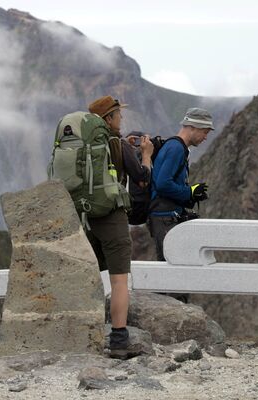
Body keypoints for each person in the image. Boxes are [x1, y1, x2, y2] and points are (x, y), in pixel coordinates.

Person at [86, 95, 153, 358]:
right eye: (118, 115)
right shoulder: (117, 144)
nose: (121, 120)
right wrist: (145, 155)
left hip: (82, 216)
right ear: (109, 118)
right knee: (119, 280)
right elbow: (142, 179)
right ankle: (118, 340)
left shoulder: (82, 144)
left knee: (85, 275)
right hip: (112, 217)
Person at [148, 108, 213, 264]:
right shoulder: (176, 148)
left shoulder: (175, 147)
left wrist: (190, 197)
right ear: (192, 127)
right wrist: (189, 193)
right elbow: (163, 184)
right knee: (172, 269)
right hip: (165, 217)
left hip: (165, 215)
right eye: (204, 132)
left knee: (173, 267)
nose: (205, 137)